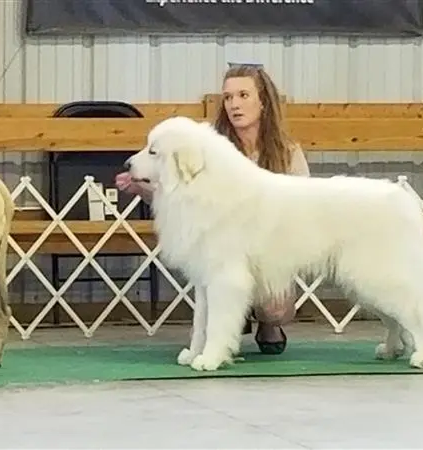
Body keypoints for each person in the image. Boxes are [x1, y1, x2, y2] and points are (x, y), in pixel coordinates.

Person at [115, 64, 310, 355]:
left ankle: (263, 323)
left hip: (268, 253)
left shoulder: (287, 151)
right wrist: (142, 187)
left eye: (243, 95)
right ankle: (223, 330)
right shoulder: (208, 148)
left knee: (276, 310)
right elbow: (179, 198)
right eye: (229, 97)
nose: (234, 104)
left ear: (263, 102)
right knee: (219, 281)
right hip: (220, 252)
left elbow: (301, 206)